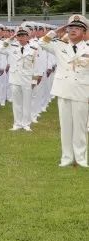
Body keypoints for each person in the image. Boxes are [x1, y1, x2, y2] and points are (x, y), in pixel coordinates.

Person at [39, 15, 89, 167]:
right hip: (63, 91)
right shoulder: (60, 46)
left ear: (84, 32)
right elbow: (42, 43)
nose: (73, 30)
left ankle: (81, 159)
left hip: (82, 91)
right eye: (71, 27)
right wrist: (56, 31)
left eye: (77, 28)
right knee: (66, 127)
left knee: (80, 127)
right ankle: (66, 158)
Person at [0, 26, 38, 131]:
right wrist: (10, 38)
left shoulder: (34, 48)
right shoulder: (12, 47)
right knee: (16, 102)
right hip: (15, 78)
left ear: (27, 37)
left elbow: (37, 66)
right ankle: (17, 123)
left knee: (27, 102)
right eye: (19, 36)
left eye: (23, 36)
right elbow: (0, 48)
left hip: (27, 79)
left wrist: (34, 80)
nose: (20, 38)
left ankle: (26, 124)